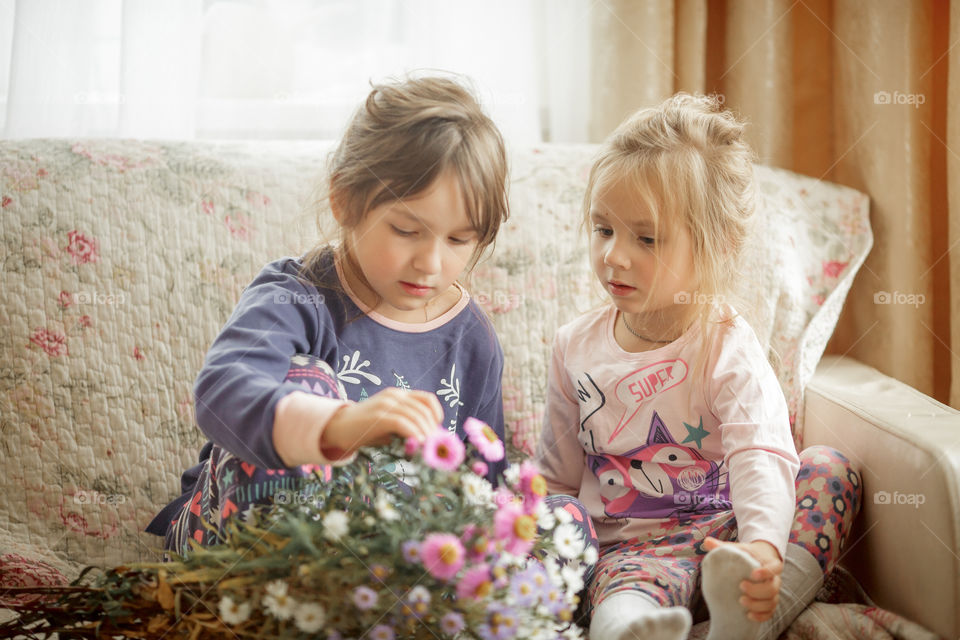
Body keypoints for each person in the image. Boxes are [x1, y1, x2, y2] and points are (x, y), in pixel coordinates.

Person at [535, 94, 861, 640]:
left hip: (730, 535)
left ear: (718, 244)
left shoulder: (725, 343)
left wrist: (760, 547)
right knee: (623, 596)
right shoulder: (574, 348)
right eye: (603, 229)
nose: (615, 255)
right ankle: (639, 630)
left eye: (646, 238)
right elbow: (557, 481)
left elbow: (760, 451)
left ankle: (753, 610)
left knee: (830, 469)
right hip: (633, 552)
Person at [145, 75, 510, 556]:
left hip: (372, 562)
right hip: (240, 539)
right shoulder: (295, 297)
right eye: (406, 229)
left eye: (459, 240)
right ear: (343, 200)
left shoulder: (471, 337)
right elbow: (221, 392)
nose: (431, 262)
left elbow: (486, 475)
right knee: (307, 379)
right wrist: (341, 425)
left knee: (558, 517)